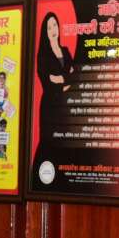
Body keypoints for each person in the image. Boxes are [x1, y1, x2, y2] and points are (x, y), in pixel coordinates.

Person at [32, 12, 74, 176]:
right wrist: (65, 81)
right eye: (49, 27)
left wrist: (60, 79)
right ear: (45, 31)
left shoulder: (66, 51)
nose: (53, 29)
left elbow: (74, 77)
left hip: (66, 107)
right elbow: (47, 83)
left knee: (65, 144)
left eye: (55, 25)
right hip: (50, 107)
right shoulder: (43, 56)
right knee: (49, 145)